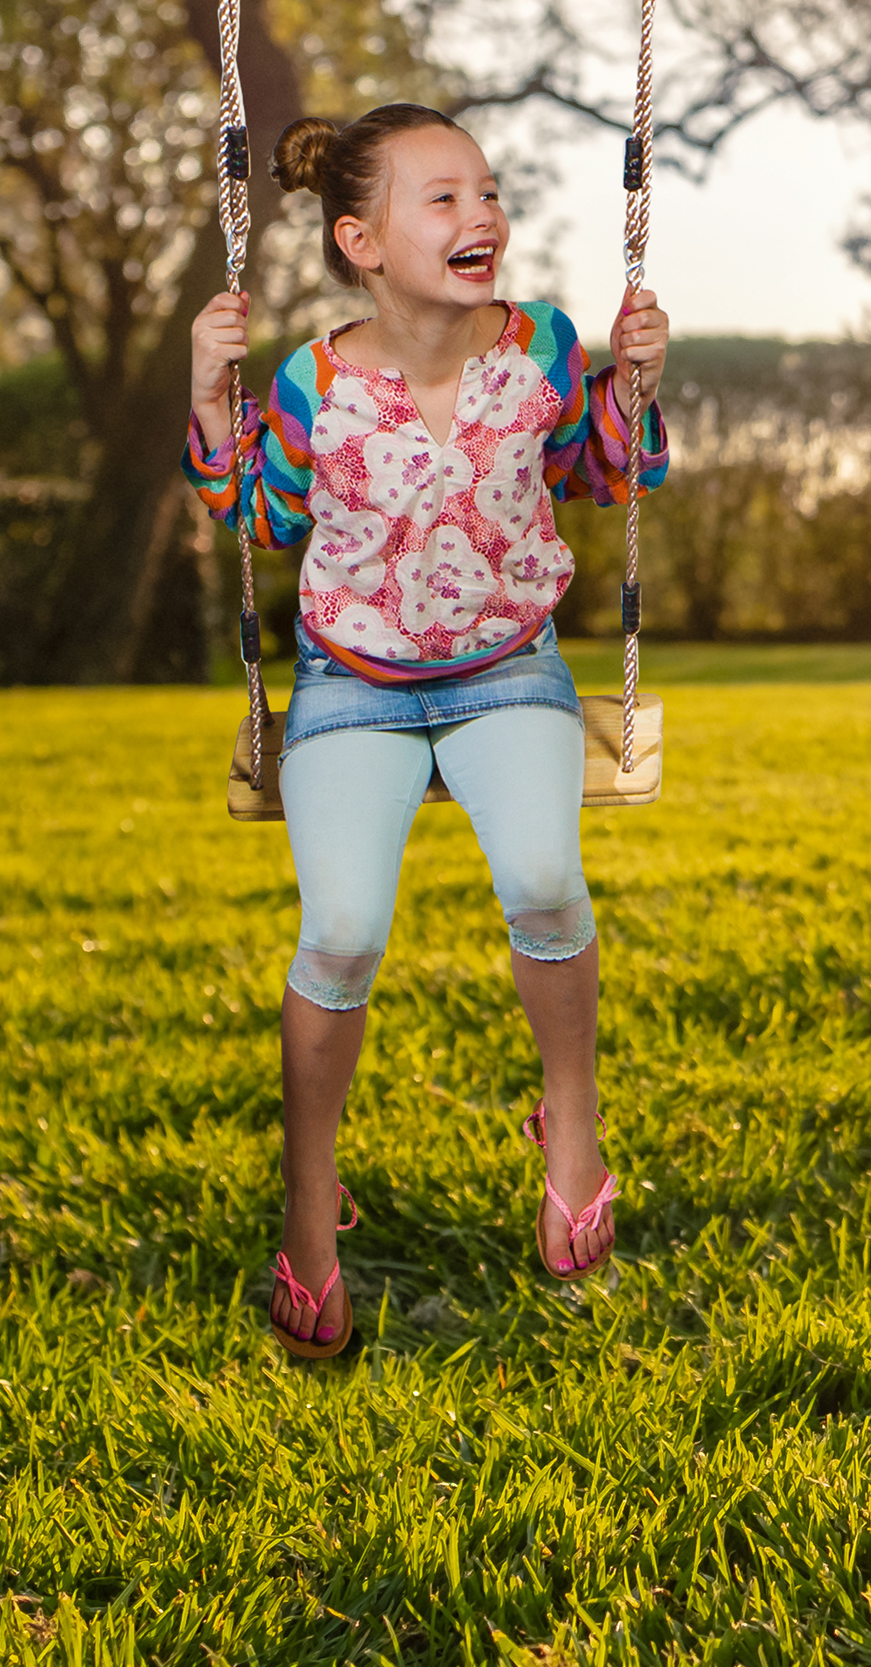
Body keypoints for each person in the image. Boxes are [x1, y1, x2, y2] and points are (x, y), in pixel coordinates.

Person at [185, 102, 669, 1358]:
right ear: (362, 240)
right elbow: (252, 511)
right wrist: (206, 386)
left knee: (548, 884)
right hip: (353, 687)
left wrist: (636, 387)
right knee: (340, 931)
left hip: (510, 669)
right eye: (443, 199)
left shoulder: (548, 348)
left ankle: (570, 1116)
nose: (483, 217)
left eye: (489, 194)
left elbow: (605, 474)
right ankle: (308, 1192)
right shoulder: (312, 380)